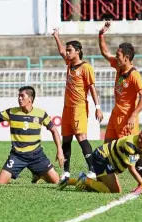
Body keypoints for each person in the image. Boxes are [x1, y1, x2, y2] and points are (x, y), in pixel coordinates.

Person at [98, 21, 142, 193]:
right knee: (107, 147)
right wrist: (101, 34)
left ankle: (141, 185)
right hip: (115, 116)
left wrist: (133, 115)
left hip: (127, 119)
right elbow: (104, 52)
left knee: (133, 150)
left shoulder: (134, 75)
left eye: (118, 54)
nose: (116, 56)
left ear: (126, 57)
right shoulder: (118, 67)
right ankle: (108, 178)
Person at [52, 28, 103, 181]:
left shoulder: (86, 67)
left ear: (78, 51)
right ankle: (66, 173)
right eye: (67, 51)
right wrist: (56, 37)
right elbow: (61, 51)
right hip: (67, 108)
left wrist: (98, 107)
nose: (67, 53)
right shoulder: (69, 64)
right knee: (66, 139)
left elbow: (92, 88)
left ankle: (93, 170)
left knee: (81, 137)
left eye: (70, 51)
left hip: (79, 107)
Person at [58, 126, 142, 195]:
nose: (139, 139)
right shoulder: (130, 143)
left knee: (101, 188)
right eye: (140, 136)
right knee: (115, 190)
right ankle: (83, 180)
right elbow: (131, 168)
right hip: (101, 157)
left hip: (109, 162)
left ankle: (71, 181)